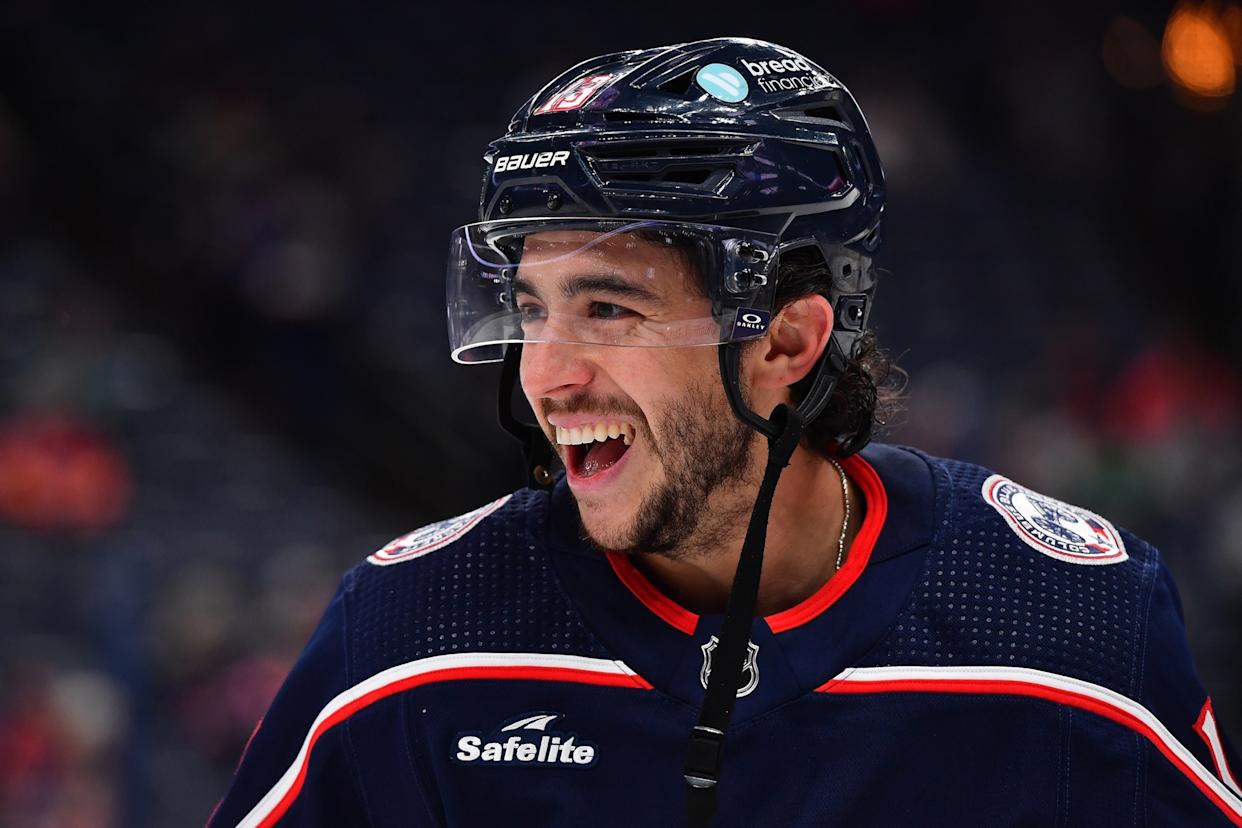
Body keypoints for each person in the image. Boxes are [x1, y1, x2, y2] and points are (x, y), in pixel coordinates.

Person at [209, 38, 1242, 827]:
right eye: (531, 310)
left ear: (788, 341)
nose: (549, 376)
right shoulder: (405, 639)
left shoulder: (1071, 623)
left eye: (609, 309)